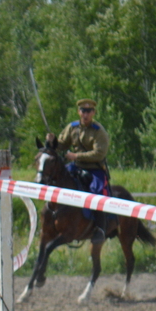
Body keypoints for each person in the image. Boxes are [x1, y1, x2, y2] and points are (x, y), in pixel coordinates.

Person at [55, 98, 111, 238]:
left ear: (93, 113)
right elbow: (62, 144)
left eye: (89, 111)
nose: (86, 114)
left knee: (96, 193)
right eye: (83, 111)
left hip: (94, 168)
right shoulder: (72, 127)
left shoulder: (99, 131)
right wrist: (52, 141)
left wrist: (76, 156)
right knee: (57, 180)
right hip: (75, 166)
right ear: (78, 112)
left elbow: (99, 154)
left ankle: (100, 229)